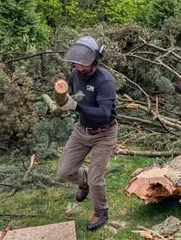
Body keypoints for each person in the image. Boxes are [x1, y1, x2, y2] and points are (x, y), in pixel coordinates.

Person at [57, 36, 118, 231]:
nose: (79, 68)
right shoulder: (75, 74)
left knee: (96, 179)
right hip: (82, 130)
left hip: (104, 133)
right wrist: (61, 102)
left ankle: (101, 212)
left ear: (94, 62)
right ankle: (83, 182)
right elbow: (71, 96)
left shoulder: (105, 81)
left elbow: (104, 113)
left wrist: (75, 106)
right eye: (76, 64)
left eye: (83, 65)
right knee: (64, 171)